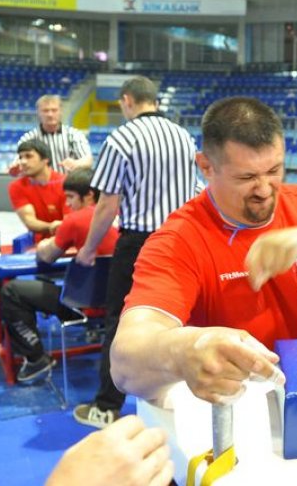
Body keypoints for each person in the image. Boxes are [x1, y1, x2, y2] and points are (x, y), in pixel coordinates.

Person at [0, 1, 172, 485]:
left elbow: (92, 214)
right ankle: (157, 389)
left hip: (112, 248)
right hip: (163, 243)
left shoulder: (108, 163)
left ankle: (80, 385)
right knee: (153, 317)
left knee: (114, 318)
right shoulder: (177, 137)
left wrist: (82, 246)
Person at [109, 96, 297, 406]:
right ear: (206, 166)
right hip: (253, 399)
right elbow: (124, 364)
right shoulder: (179, 239)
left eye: (274, 170)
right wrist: (184, 348)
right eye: (246, 177)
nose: (264, 189)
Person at [73, 76, 200, 429]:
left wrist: (88, 248)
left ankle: (106, 407)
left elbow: (106, 205)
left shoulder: (122, 137)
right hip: (181, 238)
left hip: (140, 243)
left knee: (121, 322)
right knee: (178, 319)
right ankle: (175, 398)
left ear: (127, 100)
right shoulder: (182, 136)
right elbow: (197, 188)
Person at [0, 168, 119, 383]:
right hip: (119, 303)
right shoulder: (126, 215)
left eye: (72, 197)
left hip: (82, 305)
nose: (69, 204)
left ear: (90, 195)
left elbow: (46, 256)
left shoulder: (75, 220)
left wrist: (45, 243)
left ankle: (36, 359)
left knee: (11, 291)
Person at [9, 95, 92, 175]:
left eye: (54, 110)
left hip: (67, 186)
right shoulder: (29, 138)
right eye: (45, 110)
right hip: (38, 187)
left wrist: (76, 163)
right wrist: (16, 168)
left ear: (61, 112)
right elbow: (17, 164)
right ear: (38, 113)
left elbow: (88, 160)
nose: (50, 114)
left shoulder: (74, 135)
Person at [8, 139, 68, 243]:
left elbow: (70, 221)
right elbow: (30, 221)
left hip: (69, 241)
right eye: (21, 157)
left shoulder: (66, 183)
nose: (23, 162)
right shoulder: (16, 187)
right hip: (39, 245)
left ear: (45, 159)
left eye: (28, 156)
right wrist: (52, 226)